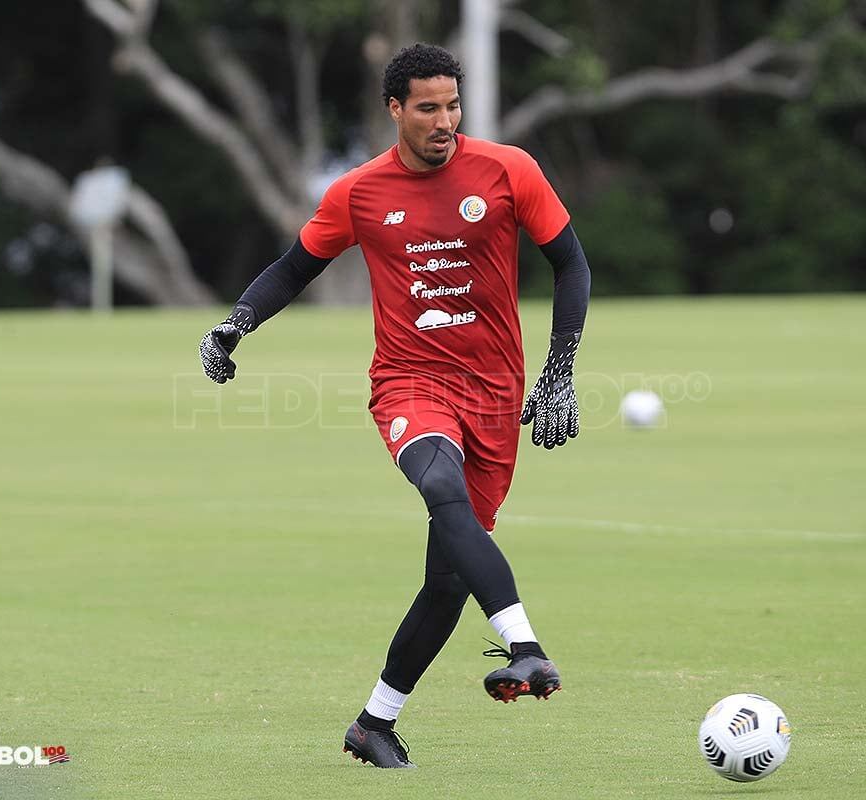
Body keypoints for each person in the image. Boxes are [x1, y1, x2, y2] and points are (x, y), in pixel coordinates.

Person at [199, 43, 590, 769]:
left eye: (452, 105)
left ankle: (372, 725)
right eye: (428, 107)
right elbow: (295, 267)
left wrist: (558, 371)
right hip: (410, 384)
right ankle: (527, 649)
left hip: (498, 396)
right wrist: (236, 324)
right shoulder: (359, 192)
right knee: (440, 487)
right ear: (395, 110)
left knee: (447, 577)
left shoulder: (509, 170)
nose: (445, 120)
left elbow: (570, 262)